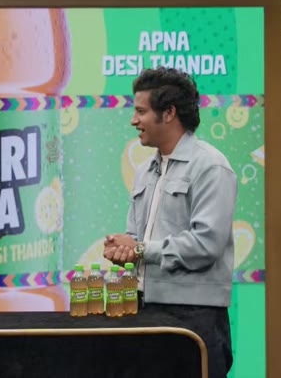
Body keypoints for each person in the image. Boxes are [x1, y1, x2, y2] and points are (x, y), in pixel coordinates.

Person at [103, 67, 237, 378]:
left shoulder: (211, 166)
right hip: (144, 310)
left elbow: (206, 244)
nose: (133, 120)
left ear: (169, 113)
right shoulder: (145, 170)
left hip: (194, 318)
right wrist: (123, 248)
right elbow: (138, 238)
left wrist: (139, 249)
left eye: (141, 111)